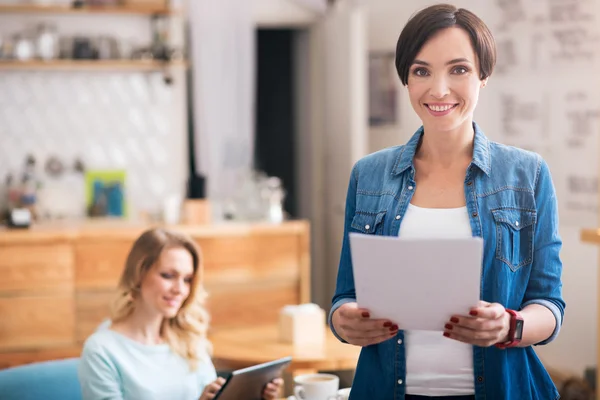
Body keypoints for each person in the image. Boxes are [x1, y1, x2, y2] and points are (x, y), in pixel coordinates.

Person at [329, 4, 565, 400]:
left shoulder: (528, 174)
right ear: (406, 78)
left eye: (459, 69)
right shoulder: (368, 175)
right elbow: (344, 297)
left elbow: (549, 304)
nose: (439, 90)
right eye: (421, 71)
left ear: (483, 76)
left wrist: (510, 327)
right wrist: (343, 323)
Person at [78, 228, 283, 400]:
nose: (180, 289)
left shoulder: (188, 338)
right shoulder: (102, 351)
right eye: (168, 276)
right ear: (138, 274)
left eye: (187, 279)